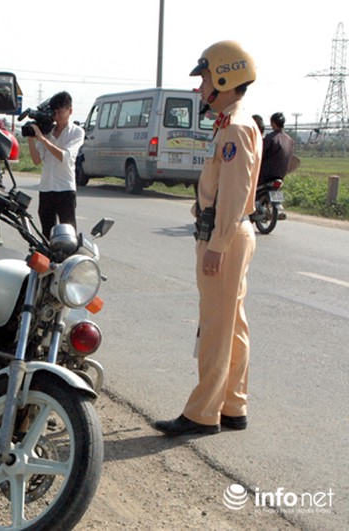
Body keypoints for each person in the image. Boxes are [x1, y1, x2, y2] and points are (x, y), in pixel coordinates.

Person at [154, 41, 261, 436]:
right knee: (233, 325)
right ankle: (233, 405)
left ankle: (203, 414)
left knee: (216, 326)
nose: (199, 88)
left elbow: (233, 193)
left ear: (224, 79)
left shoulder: (235, 127)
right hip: (230, 233)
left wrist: (216, 245)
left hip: (224, 237)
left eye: (204, 79)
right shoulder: (234, 123)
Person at [27, 91, 84, 240]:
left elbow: (64, 156)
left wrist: (43, 139)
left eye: (60, 110)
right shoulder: (48, 131)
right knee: (46, 234)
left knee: (68, 235)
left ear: (70, 111)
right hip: (46, 188)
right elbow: (36, 160)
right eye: (54, 111)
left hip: (65, 189)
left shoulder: (76, 132)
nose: (56, 114)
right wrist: (31, 138)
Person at [258, 112, 295, 186]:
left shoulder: (271, 138)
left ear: (273, 123)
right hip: (281, 176)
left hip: (265, 176)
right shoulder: (290, 140)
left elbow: (259, 155)